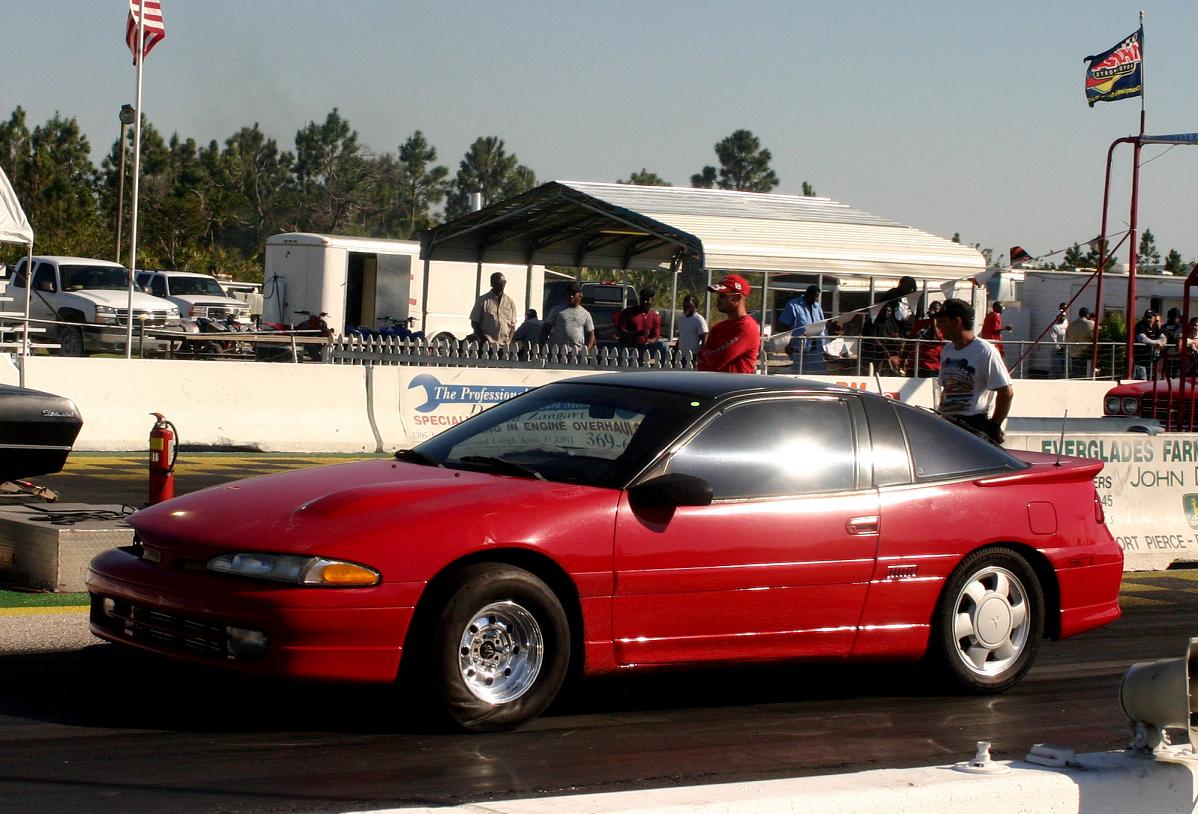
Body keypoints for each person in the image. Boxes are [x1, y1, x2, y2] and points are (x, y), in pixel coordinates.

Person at [934, 298, 1014, 444]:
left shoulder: (985, 351)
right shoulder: (947, 350)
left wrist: (994, 426)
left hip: (973, 424)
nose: (938, 325)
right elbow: (946, 389)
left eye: (942, 321)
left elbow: (1006, 392)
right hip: (947, 422)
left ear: (957, 322)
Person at [696, 274, 760, 374]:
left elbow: (718, 359)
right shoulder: (718, 327)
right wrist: (706, 356)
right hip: (714, 385)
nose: (717, 299)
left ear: (737, 298)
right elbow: (701, 359)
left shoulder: (747, 327)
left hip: (736, 387)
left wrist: (706, 355)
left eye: (722, 295)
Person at [776, 284, 827, 373]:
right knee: (799, 374)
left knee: (817, 374)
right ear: (807, 294)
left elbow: (822, 324)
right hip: (799, 348)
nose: (816, 299)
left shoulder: (817, 306)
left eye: (817, 297)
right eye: (814, 297)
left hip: (816, 348)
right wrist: (787, 343)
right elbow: (784, 325)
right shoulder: (793, 305)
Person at [540, 283, 595, 354]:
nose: (571, 296)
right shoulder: (556, 310)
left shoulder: (585, 314)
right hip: (556, 351)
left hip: (576, 352)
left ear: (580, 295)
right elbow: (546, 329)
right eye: (569, 294)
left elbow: (591, 334)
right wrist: (541, 346)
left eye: (574, 294)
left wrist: (586, 350)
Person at [614, 286, 663, 360]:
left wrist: (649, 341)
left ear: (652, 300)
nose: (645, 302)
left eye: (647, 300)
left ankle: (662, 369)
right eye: (643, 299)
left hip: (644, 348)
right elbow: (621, 331)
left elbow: (656, 336)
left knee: (663, 346)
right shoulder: (629, 312)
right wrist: (636, 334)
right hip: (629, 347)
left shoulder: (655, 316)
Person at [469, 272, 517, 346]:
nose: (502, 284)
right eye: (499, 282)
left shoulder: (510, 302)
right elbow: (474, 322)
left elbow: (513, 325)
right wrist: (483, 339)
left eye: (504, 282)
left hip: (504, 345)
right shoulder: (482, 300)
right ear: (492, 283)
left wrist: (509, 340)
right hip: (486, 344)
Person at [862, 302, 906, 375]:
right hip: (877, 348)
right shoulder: (876, 322)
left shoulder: (892, 322)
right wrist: (884, 349)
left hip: (891, 347)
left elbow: (896, 333)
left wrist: (896, 337)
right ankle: (878, 374)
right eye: (885, 310)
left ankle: (895, 372)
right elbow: (874, 337)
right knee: (879, 363)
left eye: (889, 311)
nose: (887, 312)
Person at [906, 300, 943, 378]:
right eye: (931, 308)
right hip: (914, 364)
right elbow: (910, 341)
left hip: (932, 366)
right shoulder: (920, 323)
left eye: (936, 309)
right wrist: (903, 358)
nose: (933, 311)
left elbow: (936, 337)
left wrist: (934, 319)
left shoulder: (943, 326)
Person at [1133, 309, 1167, 379]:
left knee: (1153, 381)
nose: (1148, 319)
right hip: (1141, 361)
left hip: (1153, 361)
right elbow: (1142, 339)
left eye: (1150, 317)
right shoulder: (1140, 325)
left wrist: (1160, 343)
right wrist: (1156, 343)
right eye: (1147, 317)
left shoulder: (1155, 326)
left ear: (1154, 318)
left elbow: (1163, 338)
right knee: (1142, 380)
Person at [675, 294, 708, 361]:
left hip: (693, 356)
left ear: (695, 306)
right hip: (681, 356)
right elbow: (680, 337)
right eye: (685, 305)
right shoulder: (681, 319)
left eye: (689, 305)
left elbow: (705, 340)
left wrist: (699, 357)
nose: (687, 307)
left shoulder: (699, 319)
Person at [1064, 307, 1096, 377]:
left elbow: (1066, 339)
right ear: (1087, 315)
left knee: (1075, 374)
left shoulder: (1071, 325)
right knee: (1086, 374)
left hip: (1074, 353)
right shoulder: (1092, 324)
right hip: (1086, 353)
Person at [1048, 309, 1068, 378]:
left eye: (1064, 316)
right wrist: (1058, 348)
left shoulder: (1065, 323)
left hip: (1065, 349)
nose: (1063, 317)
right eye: (1061, 316)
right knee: (1055, 367)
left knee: (1064, 368)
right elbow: (1053, 338)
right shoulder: (1054, 326)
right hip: (1056, 351)